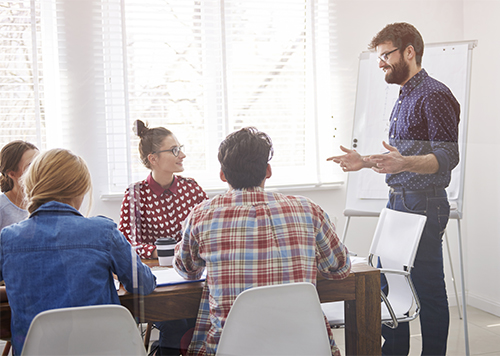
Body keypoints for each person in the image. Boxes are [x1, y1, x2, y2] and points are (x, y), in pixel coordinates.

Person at [327, 22, 459, 356]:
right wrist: (366, 161)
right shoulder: (405, 94)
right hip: (399, 200)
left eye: (386, 55)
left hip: (424, 203)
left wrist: (404, 163)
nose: (382, 62)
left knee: (427, 290)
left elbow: (447, 156)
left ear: (410, 51)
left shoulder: (434, 94)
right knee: (387, 285)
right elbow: (400, 159)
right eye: (379, 57)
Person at [174, 127, 351, 356]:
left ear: (222, 175)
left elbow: (188, 270)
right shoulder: (308, 210)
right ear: (267, 171)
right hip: (304, 346)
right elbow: (340, 269)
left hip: (232, 349)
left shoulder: (201, 215)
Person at [0, 148, 156, 356]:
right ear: (80, 189)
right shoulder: (103, 231)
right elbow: (143, 284)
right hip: (104, 351)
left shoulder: (8, 239)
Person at [119, 120, 208, 355]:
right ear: (153, 158)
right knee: (176, 321)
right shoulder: (135, 194)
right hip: (156, 284)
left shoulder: (193, 189)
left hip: (192, 277)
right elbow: (125, 244)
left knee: (196, 317)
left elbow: (207, 233)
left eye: (181, 148)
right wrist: (157, 252)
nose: (183, 155)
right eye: (175, 150)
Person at [0, 140, 38, 230]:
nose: (39, 170)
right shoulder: (2, 207)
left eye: (39, 163)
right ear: (12, 174)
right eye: (31, 166)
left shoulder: (47, 203)